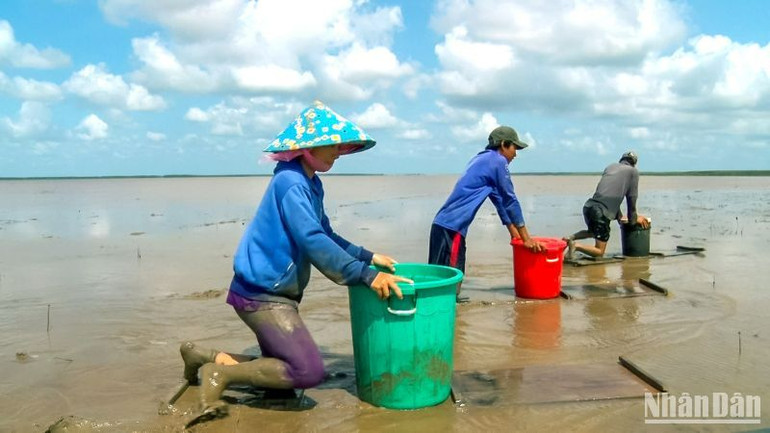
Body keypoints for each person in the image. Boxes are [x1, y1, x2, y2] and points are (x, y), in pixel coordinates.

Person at [180, 101, 412, 423]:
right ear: (306, 148)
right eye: (330, 144)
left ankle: (202, 356)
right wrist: (365, 275)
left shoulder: (310, 182)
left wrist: (367, 256)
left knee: (280, 384)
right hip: (263, 295)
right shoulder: (290, 183)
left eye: (339, 145)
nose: (337, 151)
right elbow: (312, 240)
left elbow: (324, 232)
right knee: (306, 371)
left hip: (271, 290)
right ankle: (218, 376)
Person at [429, 125, 544, 303]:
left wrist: (514, 234)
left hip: (442, 224)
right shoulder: (498, 162)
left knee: (436, 279)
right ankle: (453, 320)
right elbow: (510, 200)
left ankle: (441, 313)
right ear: (504, 145)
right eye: (514, 147)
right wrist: (527, 239)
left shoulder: (481, 159)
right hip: (453, 227)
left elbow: (499, 200)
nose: (516, 154)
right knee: (453, 279)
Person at [564, 151, 650, 258]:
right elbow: (631, 200)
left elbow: (609, 195)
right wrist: (634, 219)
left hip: (589, 206)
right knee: (599, 252)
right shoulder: (633, 172)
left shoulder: (611, 167)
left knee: (592, 232)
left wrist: (619, 217)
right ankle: (576, 246)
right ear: (634, 164)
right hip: (601, 211)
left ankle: (570, 238)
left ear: (621, 160)